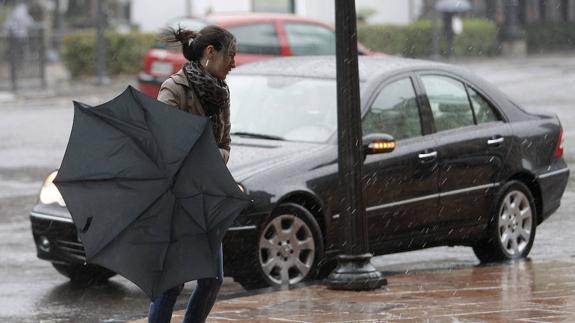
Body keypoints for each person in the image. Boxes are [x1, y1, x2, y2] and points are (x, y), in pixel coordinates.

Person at [148, 25, 236, 323]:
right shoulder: (174, 89)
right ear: (210, 53)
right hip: (176, 198)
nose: (233, 64)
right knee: (171, 283)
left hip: (206, 198)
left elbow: (224, 145)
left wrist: (208, 158)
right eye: (230, 56)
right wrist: (201, 155)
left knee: (212, 279)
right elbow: (164, 146)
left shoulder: (221, 93)